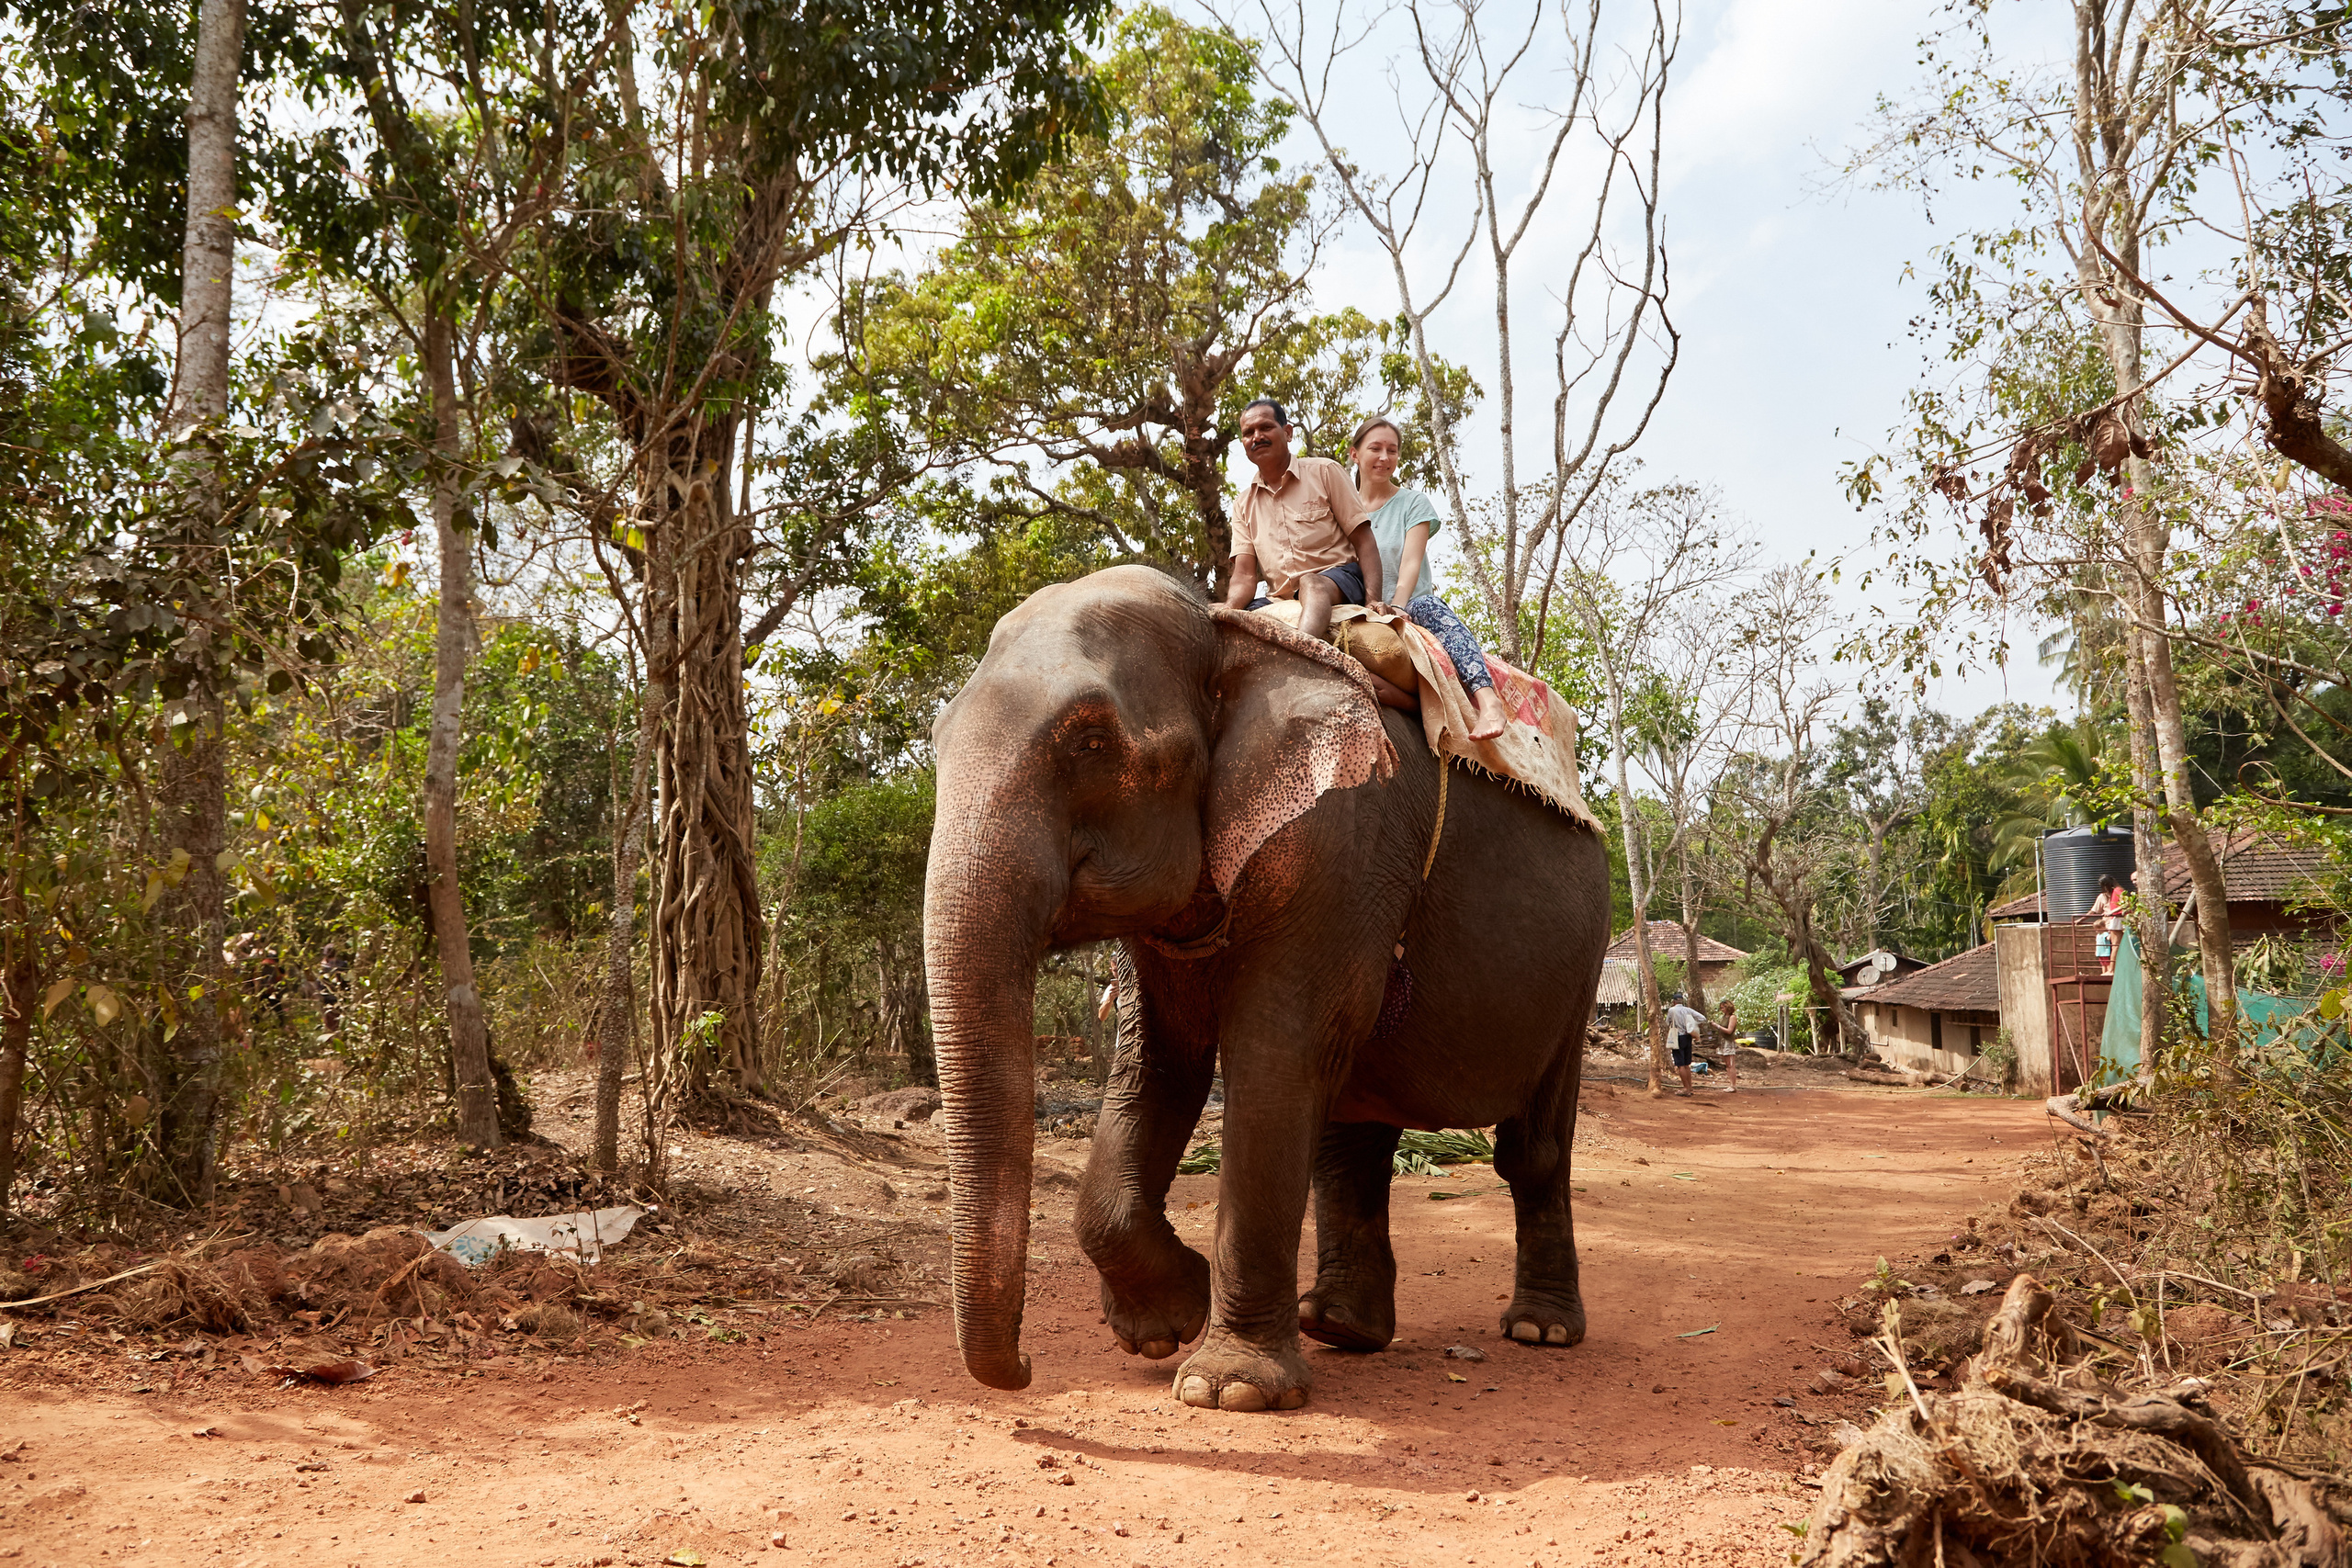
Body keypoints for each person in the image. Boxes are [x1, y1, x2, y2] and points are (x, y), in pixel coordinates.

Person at [1349, 417, 1511, 740]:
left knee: (1432, 610)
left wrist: (1397, 606)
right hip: (1359, 606)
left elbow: (1411, 562)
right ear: (1355, 454)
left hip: (1408, 602)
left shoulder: (1413, 503)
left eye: (1392, 450)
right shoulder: (1342, 508)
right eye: (1375, 449)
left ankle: (1488, 701)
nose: (1384, 457)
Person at [1224, 398, 1385, 643]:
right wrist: (1228, 609)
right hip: (1280, 599)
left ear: (1287, 433)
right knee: (1230, 625)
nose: (1257, 437)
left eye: (1265, 427)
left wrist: (1373, 601)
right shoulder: (1243, 504)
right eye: (1248, 433)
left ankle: (1303, 650)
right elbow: (1244, 576)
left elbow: (1364, 541)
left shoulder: (1325, 472)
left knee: (1311, 583)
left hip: (1340, 579)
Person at [2081, 874, 2127, 975]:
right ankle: (2111, 970)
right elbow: (2093, 911)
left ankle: (2111, 970)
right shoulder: (2109, 894)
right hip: (2114, 921)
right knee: (2113, 947)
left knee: (2115, 946)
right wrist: (2082, 919)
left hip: (2117, 920)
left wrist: (2111, 912)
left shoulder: (2118, 891)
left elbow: (2126, 904)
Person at [1664, 993, 1707, 1097]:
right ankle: (1690, 1087)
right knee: (1687, 1064)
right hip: (1688, 1037)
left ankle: (1685, 1088)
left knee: (1680, 1064)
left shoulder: (1672, 1010)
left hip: (1677, 1037)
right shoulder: (1688, 1010)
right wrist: (1692, 1025)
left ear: (1674, 1001)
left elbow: (1667, 1023)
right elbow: (1702, 1018)